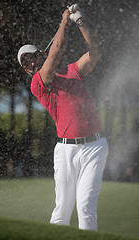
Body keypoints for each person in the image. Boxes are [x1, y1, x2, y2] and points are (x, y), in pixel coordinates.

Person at [17, 4, 108, 231]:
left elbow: (95, 52)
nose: (30, 63)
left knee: (86, 206)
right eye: (25, 63)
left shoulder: (72, 71)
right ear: (28, 70)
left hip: (95, 147)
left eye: (31, 56)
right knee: (62, 210)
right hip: (66, 151)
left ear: (40, 54)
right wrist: (64, 21)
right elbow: (57, 48)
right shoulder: (38, 83)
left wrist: (80, 21)